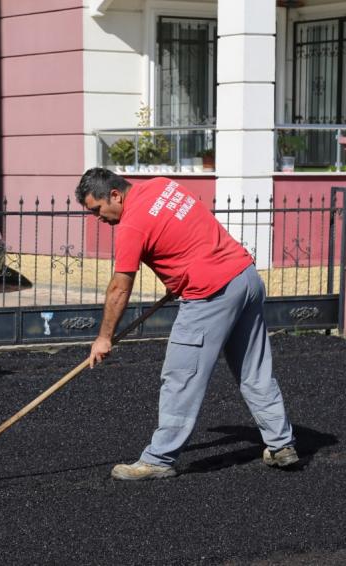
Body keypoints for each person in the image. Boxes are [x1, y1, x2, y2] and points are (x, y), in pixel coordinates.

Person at [75, 168, 298, 480]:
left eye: (98, 210)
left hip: (210, 295)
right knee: (254, 371)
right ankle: (281, 445)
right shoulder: (163, 186)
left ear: (114, 194)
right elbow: (184, 231)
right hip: (245, 278)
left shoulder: (131, 225)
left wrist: (103, 338)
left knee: (181, 376)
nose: (100, 219)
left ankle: (158, 459)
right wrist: (180, 274)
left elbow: (119, 288)